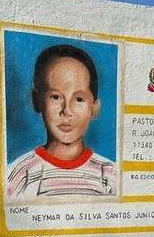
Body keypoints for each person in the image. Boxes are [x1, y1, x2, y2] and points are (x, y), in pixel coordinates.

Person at [6, 44, 116, 198]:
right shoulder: (20, 174)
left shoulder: (109, 175)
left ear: (94, 108)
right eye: (56, 97)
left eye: (79, 99)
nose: (66, 111)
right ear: (36, 101)